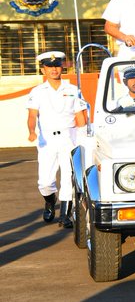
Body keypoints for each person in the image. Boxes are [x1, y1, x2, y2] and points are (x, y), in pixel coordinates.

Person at [26, 51, 87, 223]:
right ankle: (50, 201)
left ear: (62, 67)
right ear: (43, 70)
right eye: (49, 67)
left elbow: (80, 116)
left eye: (57, 66)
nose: (54, 70)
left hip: (69, 137)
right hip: (47, 140)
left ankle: (66, 215)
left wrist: (82, 137)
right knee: (45, 181)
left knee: (68, 176)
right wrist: (32, 131)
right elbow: (32, 116)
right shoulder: (37, 91)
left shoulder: (73, 89)